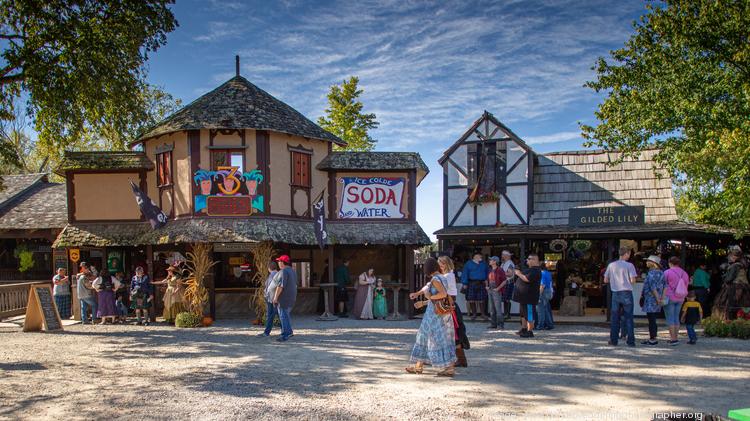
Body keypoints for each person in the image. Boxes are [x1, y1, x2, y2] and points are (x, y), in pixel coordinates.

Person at [406, 257, 457, 376]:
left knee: (425, 336)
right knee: (442, 338)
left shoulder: (435, 279)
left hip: (433, 314)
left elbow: (442, 294)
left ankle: (420, 366)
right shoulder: (443, 277)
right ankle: (422, 366)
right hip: (440, 312)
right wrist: (424, 300)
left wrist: (429, 297)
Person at [603, 247, 637, 346]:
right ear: (626, 254)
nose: (629, 256)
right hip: (626, 292)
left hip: (615, 293)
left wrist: (614, 281)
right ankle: (630, 341)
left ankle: (613, 340)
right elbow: (633, 281)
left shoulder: (611, 265)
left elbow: (605, 280)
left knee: (615, 318)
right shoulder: (630, 265)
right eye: (629, 254)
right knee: (629, 317)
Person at [712, 247, 750, 320]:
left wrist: (724, 276)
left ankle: (730, 319)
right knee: (742, 304)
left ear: (735, 257)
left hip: (735, 287)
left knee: (730, 303)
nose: (729, 258)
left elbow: (729, 279)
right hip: (744, 286)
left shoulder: (735, 265)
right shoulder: (742, 265)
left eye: (730, 256)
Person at [513, 254, 542, 338]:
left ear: (534, 260)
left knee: (529, 314)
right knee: (523, 314)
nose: (527, 260)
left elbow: (527, 279)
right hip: (523, 297)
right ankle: (524, 329)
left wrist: (518, 273)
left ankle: (530, 331)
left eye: (529, 259)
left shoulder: (535, 270)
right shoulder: (530, 269)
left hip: (529, 297)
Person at [663, 256, 689, 346]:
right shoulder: (684, 273)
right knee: (676, 317)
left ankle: (673, 338)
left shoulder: (667, 272)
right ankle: (676, 337)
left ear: (670, 263)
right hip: (680, 297)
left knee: (670, 318)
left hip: (669, 297)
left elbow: (663, 285)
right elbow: (686, 285)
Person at [640, 255, 666, 345]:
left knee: (651, 320)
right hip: (657, 299)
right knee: (653, 319)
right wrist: (661, 297)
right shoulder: (662, 273)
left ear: (653, 263)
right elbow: (665, 286)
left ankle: (653, 338)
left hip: (651, 299)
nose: (646, 262)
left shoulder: (651, 274)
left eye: (648, 261)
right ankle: (653, 337)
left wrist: (657, 298)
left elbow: (652, 287)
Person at [273, 255, 297, 342]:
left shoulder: (283, 272)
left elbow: (280, 286)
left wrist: (275, 298)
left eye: (279, 261)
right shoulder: (293, 271)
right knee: (286, 315)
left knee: (283, 316)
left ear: (283, 262)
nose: (278, 263)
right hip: (291, 297)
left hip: (284, 298)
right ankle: (289, 332)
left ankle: (285, 334)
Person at [460, 253, 489, 321]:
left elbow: (487, 272)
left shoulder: (483, 264)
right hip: (471, 283)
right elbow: (465, 273)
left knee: (482, 299)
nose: (481, 257)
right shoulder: (468, 264)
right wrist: (465, 283)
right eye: (480, 256)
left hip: (482, 283)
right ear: (475, 257)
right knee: (471, 299)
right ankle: (474, 314)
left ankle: (483, 314)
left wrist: (487, 281)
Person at [259, 261, 279, 337]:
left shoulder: (273, 275)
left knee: (272, 315)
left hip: (272, 299)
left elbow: (271, 287)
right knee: (276, 315)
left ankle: (267, 332)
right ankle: (267, 332)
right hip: (273, 298)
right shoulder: (276, 274)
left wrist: (266, 294)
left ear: (269, 268)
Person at [486, 256, 506, 330]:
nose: (490, 261)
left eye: (491, 260)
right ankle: (493, 324)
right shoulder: (490, 270)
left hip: (496, 290)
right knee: (491, 308)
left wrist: (498, 288)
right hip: (491, 290)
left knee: (498, 308)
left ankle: (500, 325)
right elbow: (487, 279)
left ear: (495, 262)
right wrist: (487, 286)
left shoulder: (500, 270)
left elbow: (504, 281)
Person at [500, 251, 515, 321]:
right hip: (505, 283)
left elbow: (510, 274)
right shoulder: (504, 263)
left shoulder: (509, 263)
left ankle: (507, 314)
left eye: (503, 255)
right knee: (506, 299)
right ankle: (506, 314)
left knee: (507, 299)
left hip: (508, 283)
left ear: (506, 256)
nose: (502, 256)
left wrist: (500, 273)